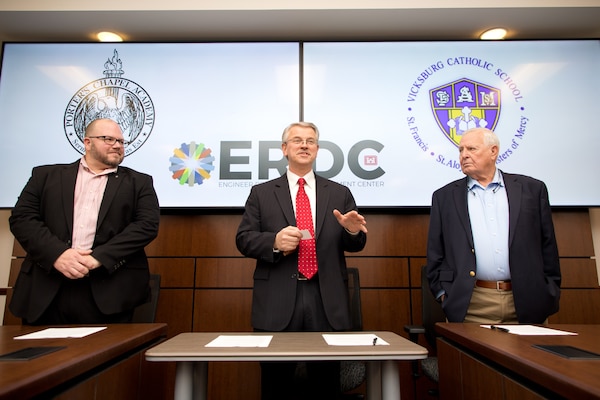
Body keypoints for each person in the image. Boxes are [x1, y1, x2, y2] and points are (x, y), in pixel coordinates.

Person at [236, 122, 367, 400]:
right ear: (285, 149)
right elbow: (243, 239)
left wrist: (352, 231)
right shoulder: (262, 193)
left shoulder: (339, 193)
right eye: (297, 140)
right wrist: (273, 242)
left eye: (310, 141)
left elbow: (355, 245)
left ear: (318, 149)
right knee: (276, 385)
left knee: (325, 384)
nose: (304, 145)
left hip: (326, 300)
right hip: (277, 300)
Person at [9, 118, 160, 325]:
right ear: (87, 143)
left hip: (108, 291)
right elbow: (22, 219)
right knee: (42, 355)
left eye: (121, 141)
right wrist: (58, 255)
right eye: (108, 139)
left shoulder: (139, 183)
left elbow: (146, 226)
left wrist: (97, 258)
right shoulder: (44, 176)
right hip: (46, 288)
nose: (117, 145)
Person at [426, 127, 561, 324]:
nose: (464, 155)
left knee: (528, 355)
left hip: (528, 300)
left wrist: (550, 290)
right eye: (461, 150)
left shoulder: (532, 190)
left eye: (471, 149)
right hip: (472, 304)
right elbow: (436, 252)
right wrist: (443, 293)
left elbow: (548, 246)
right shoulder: (445, 196)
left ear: (493, 151)